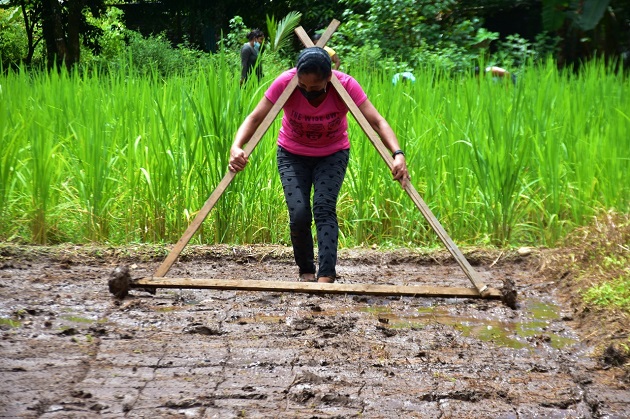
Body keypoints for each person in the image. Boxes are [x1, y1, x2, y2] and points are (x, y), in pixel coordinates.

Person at [229, 47, 409, 283]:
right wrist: (236, 145)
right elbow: (255, 117)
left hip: (332, 154)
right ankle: (305, 271)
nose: (307, 92)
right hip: (292, 154)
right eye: (302, 87)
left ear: (329, 78)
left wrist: (397, 154)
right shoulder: (285, 82)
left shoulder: (345, 85)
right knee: (299, 213)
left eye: (314, 88)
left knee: (324, 208)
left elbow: (376, 121)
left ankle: (326, 276)